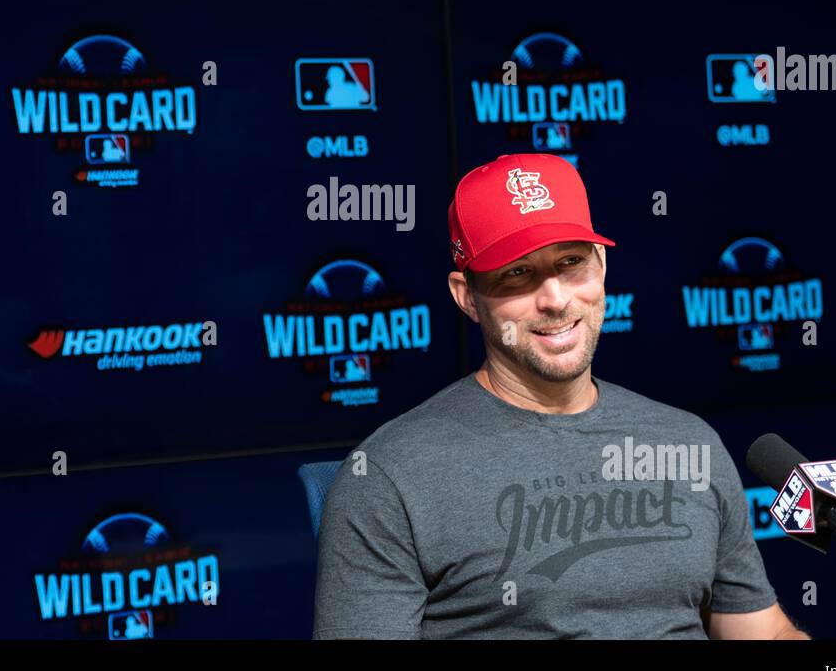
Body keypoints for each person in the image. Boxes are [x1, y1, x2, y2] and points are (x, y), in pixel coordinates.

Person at [313, 153, 808, 639]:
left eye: (571, 263)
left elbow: (760, 632)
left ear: (603, 266)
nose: (555, 299)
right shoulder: (388, 477)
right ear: (466, 296)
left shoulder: (686, 439)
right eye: (516, 274)